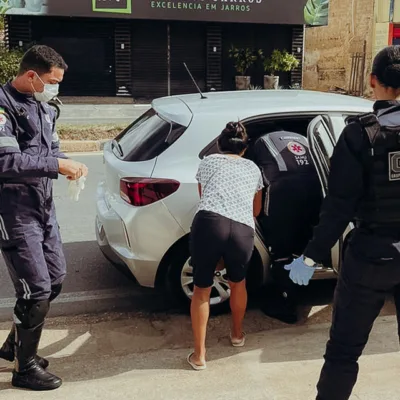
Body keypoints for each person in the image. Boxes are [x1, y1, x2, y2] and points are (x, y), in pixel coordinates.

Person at [284, 45, 400, 400]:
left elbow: (338, 207)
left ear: (372, 81)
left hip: (371, 258)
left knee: (343, 353)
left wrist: (309, 258)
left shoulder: (359, 135)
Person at [0, 45, 88, 391]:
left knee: (54, 280)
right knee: (36, 290)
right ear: (31, 75)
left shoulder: (45, 108)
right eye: (52, 82)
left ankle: (15, 345)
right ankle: (25, 368)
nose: (55, 89)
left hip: (43, 206)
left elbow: (51, 149)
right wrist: (56, 165)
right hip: (14, 210)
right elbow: (5, 162)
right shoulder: (4, 107)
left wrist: (67, 164)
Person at [187, 122, 263, 370]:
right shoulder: (253, 169)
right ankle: (237, 335)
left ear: (220, 144)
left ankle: (199, 356)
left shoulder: (208, 162)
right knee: (238, 283)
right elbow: (256, 210)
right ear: (244, 148)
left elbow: (203, 195)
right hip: (242, 228)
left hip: (210, 223)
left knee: (202, 290)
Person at [246, 127, 322, 324]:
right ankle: (300, 284)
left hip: (281, 197)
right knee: (302, 243)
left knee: (280, 251)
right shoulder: (302, 138)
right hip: (314, 193)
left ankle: (288, 305)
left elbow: (253, 175)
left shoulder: (260, 142)